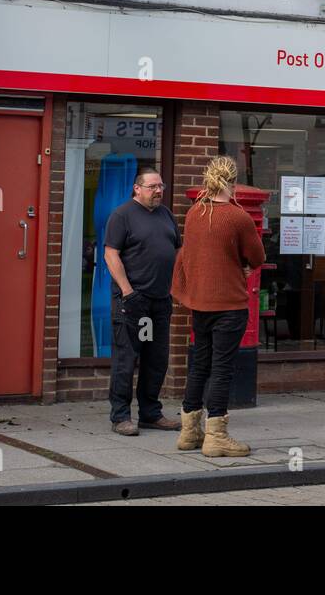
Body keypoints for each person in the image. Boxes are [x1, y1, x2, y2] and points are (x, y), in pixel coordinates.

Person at [170, 156, 266, 457]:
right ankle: (216, 437)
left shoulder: (195, 212)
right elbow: (258, 256)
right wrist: (244, 266)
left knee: (199, 363)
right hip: (229, 303)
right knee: (222, 368)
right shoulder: (238, 217)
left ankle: (189, 432)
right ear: (233, 181)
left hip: (200, 302)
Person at [103, 167, 182, 436]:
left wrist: (176, 286)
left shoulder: (166, 215)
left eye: (161, 186)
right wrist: (128, 291)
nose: (158, 191)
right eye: (152, 187)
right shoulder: (122, 215)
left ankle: (150, 413)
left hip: (159, 301)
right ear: (137, 188)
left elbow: (178, 251)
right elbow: (111, 255)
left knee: (156, 359)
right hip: (133, 301)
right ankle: (121, 416)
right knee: (126, 359)